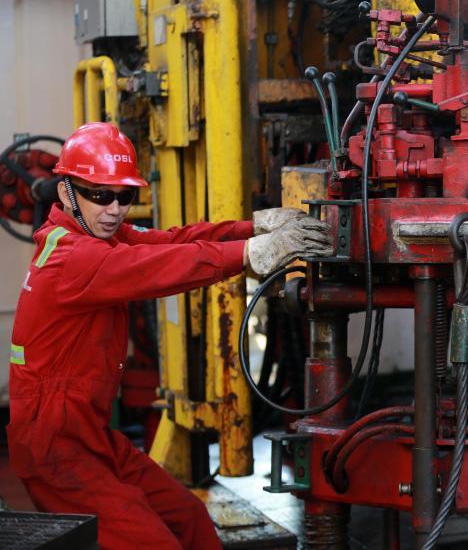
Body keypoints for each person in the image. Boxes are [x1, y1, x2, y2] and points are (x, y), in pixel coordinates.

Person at [7, 122, 332, 549]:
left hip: (93, 437)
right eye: (100, 194)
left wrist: (253, 229)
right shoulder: (70, 257)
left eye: (125, 196)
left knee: (189, 518)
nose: (114, 209)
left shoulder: (98, 235)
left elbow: (174, 242)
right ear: (66, 191)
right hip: (57, 451)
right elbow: (162, 269)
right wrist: (250, 255)